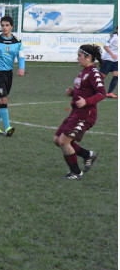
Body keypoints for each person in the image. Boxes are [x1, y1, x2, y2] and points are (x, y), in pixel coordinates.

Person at [53, 44, 106, 180]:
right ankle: (88, 155)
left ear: (88, 58)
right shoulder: (83, 72)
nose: (77, 58)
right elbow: (84, 91)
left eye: (79, 56)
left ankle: (76, 173)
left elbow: (102, 93)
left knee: (64, 141)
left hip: (85, 114)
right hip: (76, 112)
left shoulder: (94, 73)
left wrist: (86, 102)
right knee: (57, 140)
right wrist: (73, 94)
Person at [99, 29, 118, 98]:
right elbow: (105, 46)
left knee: (117, 75)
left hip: (116, 60)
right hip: (108, 59)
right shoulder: (114, 37)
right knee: (102, 76)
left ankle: (110, 92)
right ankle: (90, 90)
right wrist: (112, 54)